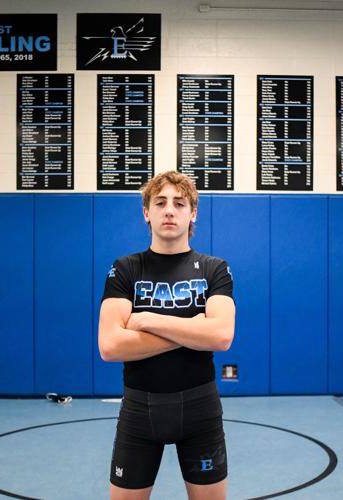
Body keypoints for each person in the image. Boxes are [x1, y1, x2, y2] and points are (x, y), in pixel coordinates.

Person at [99, 170, 236, 500]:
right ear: (147, 212)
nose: (170, 210)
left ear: (193, 213)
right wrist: (193, 327)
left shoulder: (214, 269)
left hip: (200, 410)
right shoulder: (126, 269)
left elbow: (220, 336)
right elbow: (110, 344)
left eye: (179, 202)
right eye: (160, 202)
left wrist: (146, 318)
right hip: (138, 411)